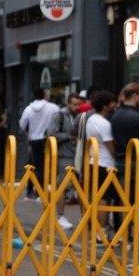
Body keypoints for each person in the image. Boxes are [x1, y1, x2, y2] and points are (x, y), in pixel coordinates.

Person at [19, 87, 61, 200]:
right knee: (49, 165)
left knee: (34, 165)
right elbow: (59, 120)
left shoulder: (28, 109)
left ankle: (33, 191)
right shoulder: (53, 107)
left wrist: (30, 132)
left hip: (34, 140)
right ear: (45, 95)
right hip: (49, 140)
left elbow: (22, 124)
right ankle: (44, 191)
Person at [86, 91, 118, 233]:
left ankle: (95, 228)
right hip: (105, 164)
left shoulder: (91, 119)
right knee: (104, 199)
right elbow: (110, 145)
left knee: (96, 196)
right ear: (105, 106)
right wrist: (116, 156)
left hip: (93, 160)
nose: (114, 105)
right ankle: (101, 230)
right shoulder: (104, 123)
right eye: (112, 102)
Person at [52, 93, 80, 230]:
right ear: (68, 103)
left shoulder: (79, 116)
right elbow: (51, 134)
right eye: (74, 104)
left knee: (79, 187)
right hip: (64, 156)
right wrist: (69, 136)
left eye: (78, 104)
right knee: (62, 186)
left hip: (78, 156)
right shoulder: (60, 115)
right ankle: (60, 216)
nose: (76, 107)